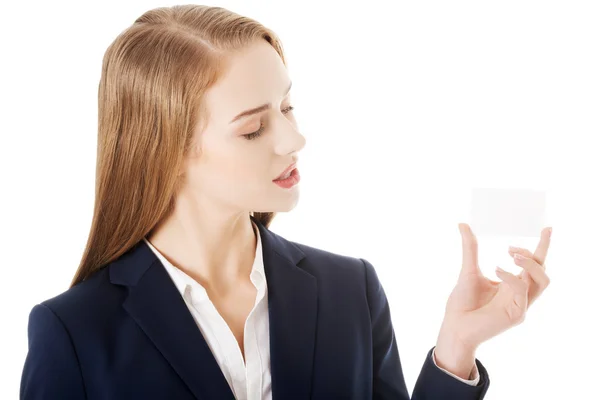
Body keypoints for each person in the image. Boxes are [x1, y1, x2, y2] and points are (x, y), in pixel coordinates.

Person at [19, 4, 552, 400]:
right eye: (252, 128)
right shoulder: (74, 333)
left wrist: (456, 348)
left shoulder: (352, 292)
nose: (293, 140)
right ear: (168, 152)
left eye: (288, 107)